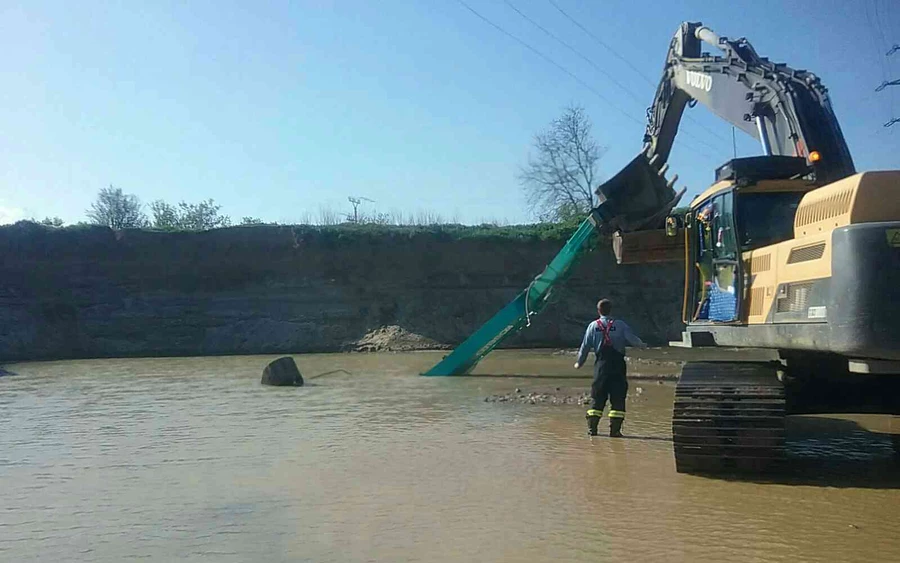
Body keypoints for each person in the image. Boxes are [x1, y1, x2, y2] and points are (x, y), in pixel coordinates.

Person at [574, 298, 647, 437]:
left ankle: (592, 430)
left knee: (598, 397)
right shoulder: (620, 325)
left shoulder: (592, 326)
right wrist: (642, 345)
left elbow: (584, 347)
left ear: (598, 311)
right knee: (618, 398)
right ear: (611, 310)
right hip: (618, 366)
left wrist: (579, 362)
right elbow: (633, 340)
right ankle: (615, 431)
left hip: (601, 366)